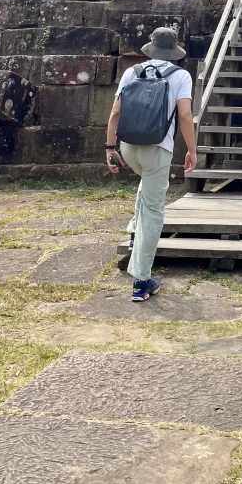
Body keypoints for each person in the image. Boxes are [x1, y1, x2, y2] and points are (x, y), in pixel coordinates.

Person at [105, 27, 197, 301]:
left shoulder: (131, 73)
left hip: (129, 147)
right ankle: (141, 282)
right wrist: (192, 150)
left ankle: (134, 233)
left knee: (145, 186)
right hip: (157, 149)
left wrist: (110, 148)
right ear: (174, 52)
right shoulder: (181, 76)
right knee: (154, 213)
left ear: (151, 48)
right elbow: (184, 115)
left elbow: (115, 113)